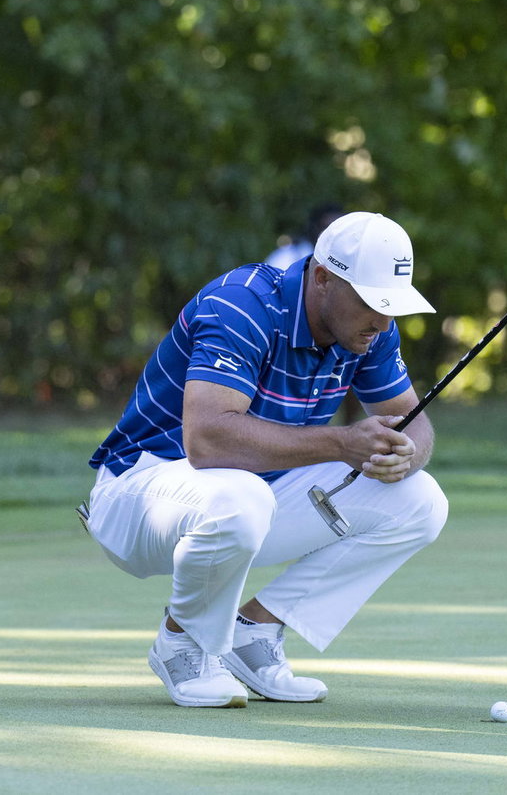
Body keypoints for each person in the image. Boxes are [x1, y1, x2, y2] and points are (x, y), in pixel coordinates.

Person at [81, 212, 449, 708]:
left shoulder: (370, 332)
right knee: (242, 495)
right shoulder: (243, 305)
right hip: (140, 493)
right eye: (370, 303)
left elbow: (413, 421)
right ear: (322, 277)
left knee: (419, 500)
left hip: (248, 500)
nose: (383, 322)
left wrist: (406, 452)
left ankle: (253, 633)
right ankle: (182, 643)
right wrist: (344, 443)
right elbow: (208, 441)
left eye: (391, 306)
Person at [263, 202, 344, 269]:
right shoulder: (288, 256)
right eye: (325, 227)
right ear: (314, 228)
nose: (331, 235)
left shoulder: (345, 261)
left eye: (338, 230)